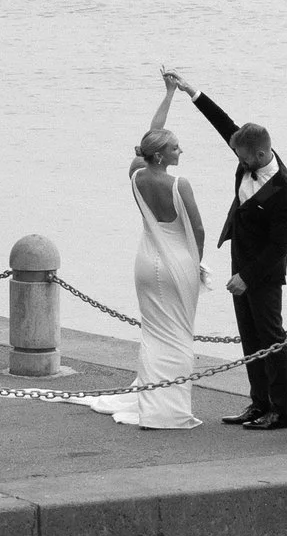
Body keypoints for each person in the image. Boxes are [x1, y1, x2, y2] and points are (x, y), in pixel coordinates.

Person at [166, 71, 287, 428]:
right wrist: (193, 93)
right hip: (239, 258)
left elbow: (280, 247)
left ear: (259, 154)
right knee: (249, 335)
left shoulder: (285, 194)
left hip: (265, 271)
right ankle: (258, 403)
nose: (238, 162)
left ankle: (281, 411)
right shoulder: (248, 151)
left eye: (242, 159)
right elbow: (225, 125)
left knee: (271, 337)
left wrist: (248, 278)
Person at [86, 78, 207, 429]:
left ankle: (152, 400)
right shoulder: (179, 184)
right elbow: (198, 230)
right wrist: (196, 263)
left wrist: (169, 94)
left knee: (153, 334)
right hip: (177, 264)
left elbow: (152, 133)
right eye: (175, 148)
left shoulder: (137, 175)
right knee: (180, 335)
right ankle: (171, 410)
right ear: (161, 155)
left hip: (145, 261)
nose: (180, 151)